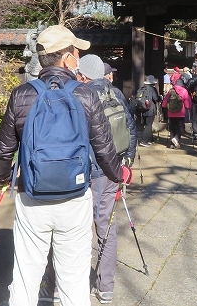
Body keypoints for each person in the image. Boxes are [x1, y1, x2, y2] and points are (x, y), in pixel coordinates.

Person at [0, 25, 131, 306]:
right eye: (76, 51)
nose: (78, 56)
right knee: (74, 276)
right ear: (67, 58)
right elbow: (104, 148)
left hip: (31, 196)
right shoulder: (85, 94)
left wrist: (3, 177)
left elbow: (4, 147)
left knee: (26, 273)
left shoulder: (21, 94)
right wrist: (120, 174)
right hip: (75, 196)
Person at [40, 54, 136, 305]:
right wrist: (125, 164)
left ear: (82, 75)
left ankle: (58, 287)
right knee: (106, 229)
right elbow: (131, 128)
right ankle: (105, 287)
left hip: (83, 173)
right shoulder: (115, 94)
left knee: (70, 229)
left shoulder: (79, 95)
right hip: (112, 172)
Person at [162, 71, 192, 149]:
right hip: (180, 112)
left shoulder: (171, 91)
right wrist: (188, 107)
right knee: (181, 127)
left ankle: (172, 144)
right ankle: (176, 139)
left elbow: (164, 101)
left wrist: (164, 106)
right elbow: (188, 103)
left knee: (172, 128)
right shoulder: (184, 91)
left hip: (171, 112)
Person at [138, 75, 162, 146]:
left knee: (147, 124)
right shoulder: (152, 89)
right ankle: (144, 141)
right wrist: (160, 98)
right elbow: (156, 98)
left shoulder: (142, 88)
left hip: (143, 109)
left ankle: (150, 139)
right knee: (148, 125)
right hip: (150, 109)